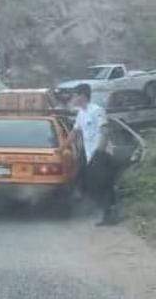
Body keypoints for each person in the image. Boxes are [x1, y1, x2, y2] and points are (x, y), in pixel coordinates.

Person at [64, 84, 118, 226]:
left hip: (101, 155)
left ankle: (110, 214)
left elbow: (105, 131)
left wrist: (99, 154)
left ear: (82, 96)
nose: (73, 99)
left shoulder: (97, 110)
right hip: (90, 156)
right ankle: (106, 212)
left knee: (103, 185)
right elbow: (74, 132)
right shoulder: (81, 113)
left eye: (75, 95)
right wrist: (61, 148)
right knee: (90, 184)